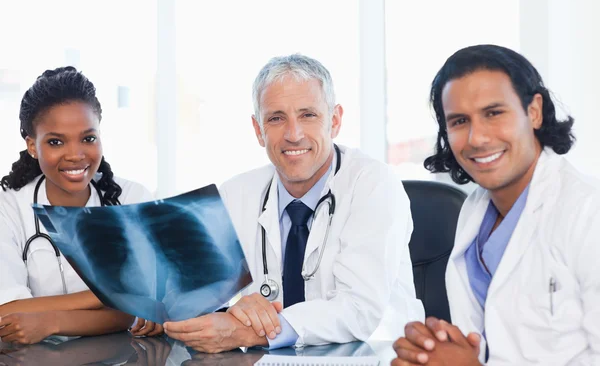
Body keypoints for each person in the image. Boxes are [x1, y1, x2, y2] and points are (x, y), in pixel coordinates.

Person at [163, 54, 424, 352]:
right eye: (276, 118)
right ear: (258, 130)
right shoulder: (236, 194)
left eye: (308, 115)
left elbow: (359, 308)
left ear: (335, 120)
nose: (293, 134)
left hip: (374, 355)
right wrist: (230, 310)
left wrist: (247, 332)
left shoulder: (373, 184)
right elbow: (192, 291)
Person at [391, 44, 600, 365]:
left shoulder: (588, 213)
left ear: (534, 111)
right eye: (459, 121)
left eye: (493, 113)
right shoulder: (474, 212)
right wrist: (435, 351)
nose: (477, 138)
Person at [0, 67, 161, 343]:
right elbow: (6, 314)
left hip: (125, 355)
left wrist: (51, 321)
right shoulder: (9, 207)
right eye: (55, 141)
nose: (76, 155)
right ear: (32, 146)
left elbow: (155, 306)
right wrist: (110, 295)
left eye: (88, 138)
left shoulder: (133, 198)